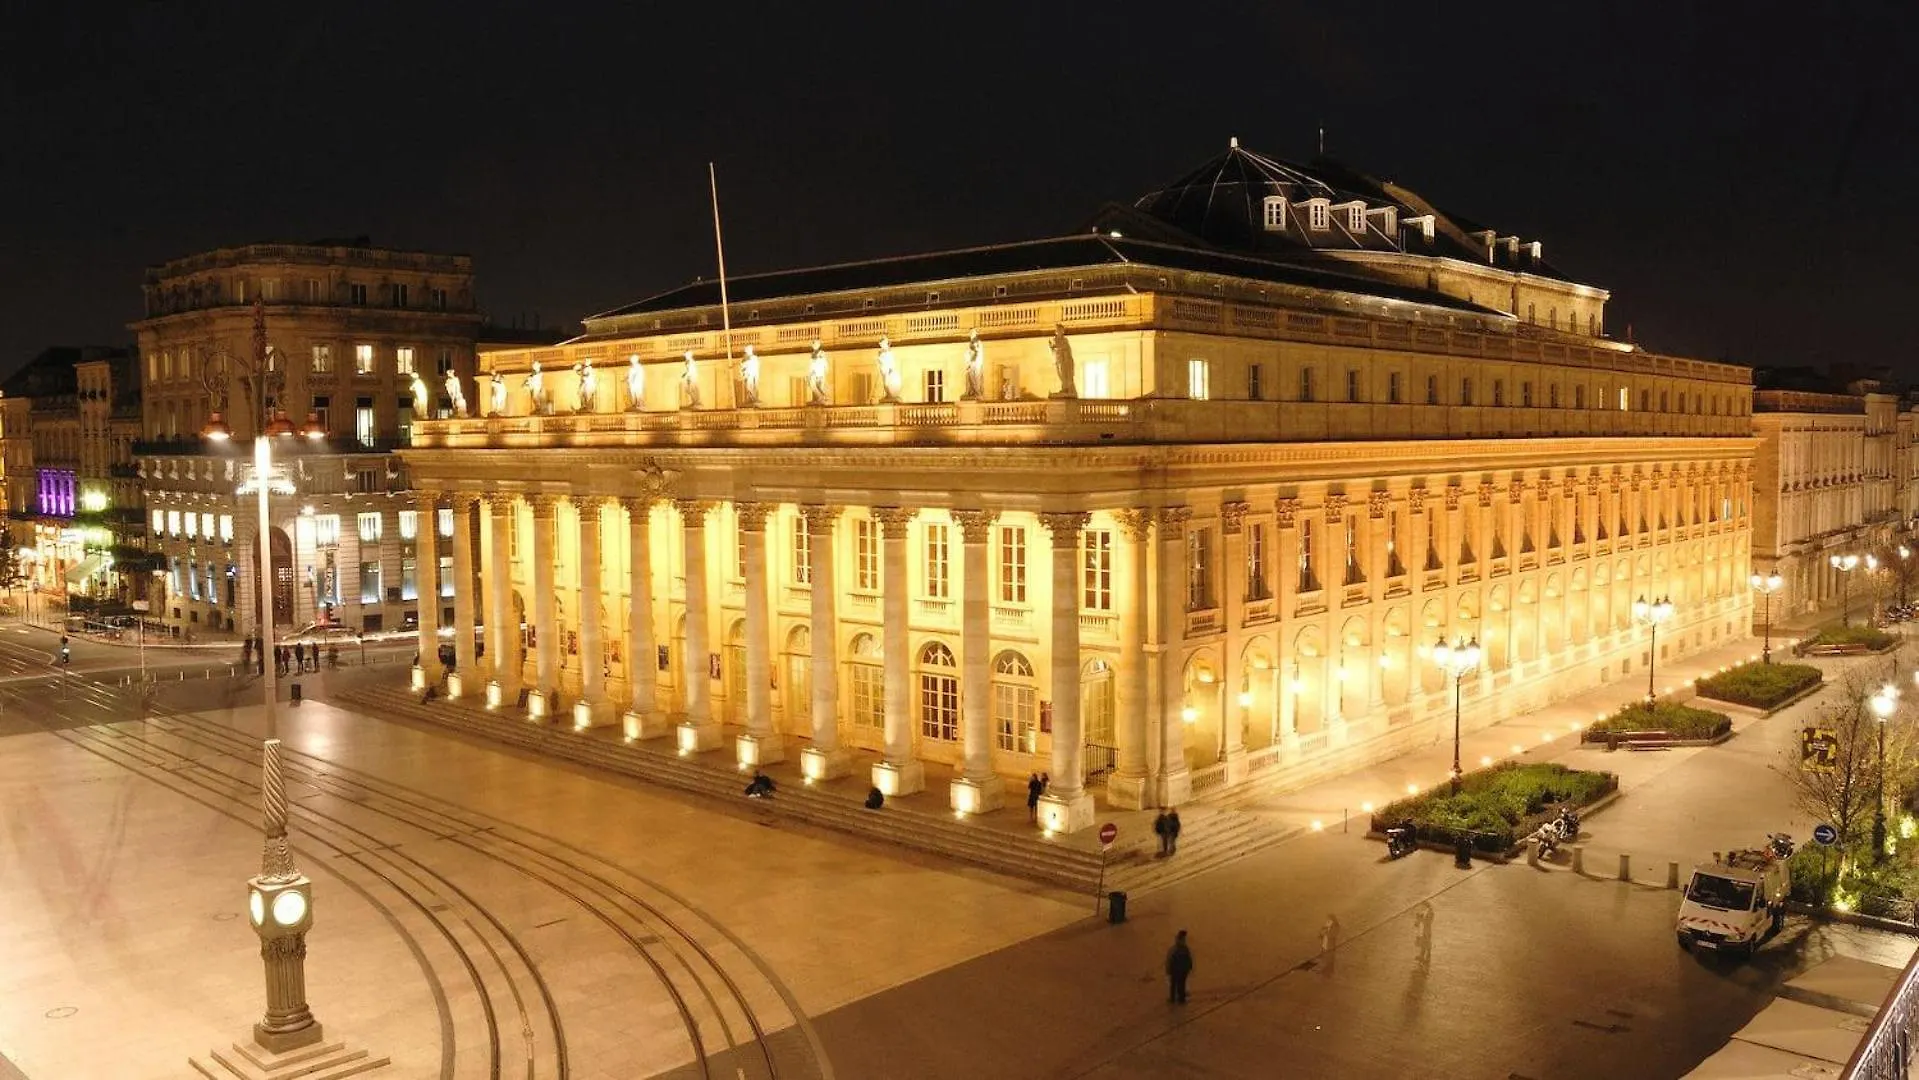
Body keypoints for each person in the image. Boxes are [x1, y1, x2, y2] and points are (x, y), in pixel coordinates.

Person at [1165, 930, 1193, 1004]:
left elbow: (1170, 960)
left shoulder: (1175, 949)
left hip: (1177, 970)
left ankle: (1175, 999)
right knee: (1180, 985)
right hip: (1181, 970)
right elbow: (1189, 959)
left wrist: (1168, 969)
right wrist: (1189, 967)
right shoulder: (1184, 949)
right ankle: (1180, 999)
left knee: (1176, 985)